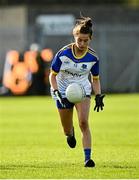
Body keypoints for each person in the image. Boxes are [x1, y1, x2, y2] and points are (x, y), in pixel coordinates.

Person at [49, 16, 105, 168]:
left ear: (90, 39)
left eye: (85, 40)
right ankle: (70, 133)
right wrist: (56, 91)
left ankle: (88, 159)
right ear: (74, 37)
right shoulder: (63, 54)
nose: (82, 43)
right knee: (67, 130)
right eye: (79, 40)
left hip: (82, 90)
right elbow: (52, 76)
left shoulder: (93, 57)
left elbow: (95, 78)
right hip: (62, 91)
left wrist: (98, 95)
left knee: (84, 122)